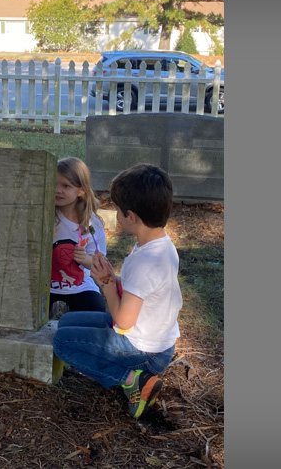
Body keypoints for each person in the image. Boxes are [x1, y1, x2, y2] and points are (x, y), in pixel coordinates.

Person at [52, 163, 182, 419]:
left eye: (118, 210)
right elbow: (141, 290)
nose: (116, 215)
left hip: (145, 352)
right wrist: (113, 277)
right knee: (65, 321)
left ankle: (133, 380)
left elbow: (123, 320)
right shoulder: (160, 244)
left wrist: (107, 284)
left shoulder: (145, 261)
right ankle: (132, 374)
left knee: (62, 343)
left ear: (131, 216)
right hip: (154, 340)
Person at [49, 157, 107, 319]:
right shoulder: (46, 216)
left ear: (81, 190)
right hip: (45, 286)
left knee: (95, 312)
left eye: (66, 186)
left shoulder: (91, 224)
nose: (58, 190)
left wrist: (85, 259)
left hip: (79, 286)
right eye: (54, 184)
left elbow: (99, 264)